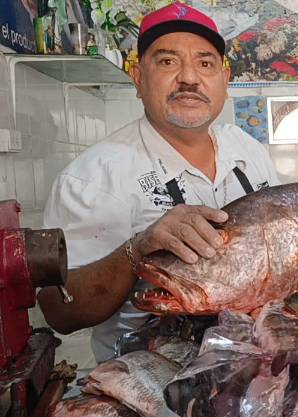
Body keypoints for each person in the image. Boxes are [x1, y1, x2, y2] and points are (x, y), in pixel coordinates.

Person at [38, 2, 280, 363]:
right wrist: (138, 248)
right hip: (151, 381)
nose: (189, 78)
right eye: (167, 62)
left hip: (257, 366)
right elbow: (60, 313)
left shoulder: (247, 149)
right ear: (138, 78)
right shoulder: (94, 176)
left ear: (224, 81)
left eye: (205, 63)